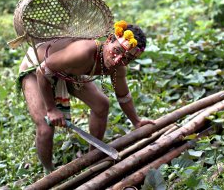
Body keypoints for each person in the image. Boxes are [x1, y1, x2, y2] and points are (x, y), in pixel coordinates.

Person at [18, 20, 155, 173]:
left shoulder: (118, 66)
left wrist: (137, 122)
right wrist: (51, 109)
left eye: (127, 58)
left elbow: (123, 96)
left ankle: (93, 156)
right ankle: (49, 172)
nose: (118, 60)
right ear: (109, 40)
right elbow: (42, 72)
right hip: (36, 68)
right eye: (117, 51)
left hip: (65, 70)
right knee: (45, 127)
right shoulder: (83, 51)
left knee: (101, 104)